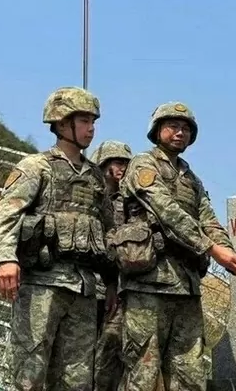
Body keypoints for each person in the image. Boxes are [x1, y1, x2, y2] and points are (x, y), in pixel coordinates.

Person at [111, 102, 236, 391]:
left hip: (185, 286)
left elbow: (209, 220)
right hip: (147, 283)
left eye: (186, 128)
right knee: (143, 372)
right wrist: (212, 248)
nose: (180, 133)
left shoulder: (192, 178)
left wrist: (230, 254)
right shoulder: (143, 164)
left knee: (190, 373)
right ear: (157, 130)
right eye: (173, 126)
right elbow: (166, 210)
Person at [0, 87, 112, 391]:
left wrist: (111, 283)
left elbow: (108, 232)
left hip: (84, 289)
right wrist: (6, 259)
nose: (91, 128)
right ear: (61, 123)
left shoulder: (96, 177)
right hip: (42, 284)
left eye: (93, 121)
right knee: (29, 374)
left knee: (77, 379)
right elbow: (6, 215)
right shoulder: (36, 167)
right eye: (83, 121)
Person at [89, 140, 133, 391]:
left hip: (114, 288)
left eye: (127, 163)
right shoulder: (89, 197)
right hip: (84, 284)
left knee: (110, 351)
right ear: (104, 165)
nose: (123, 168)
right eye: (118, 162)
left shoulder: (128, 201)